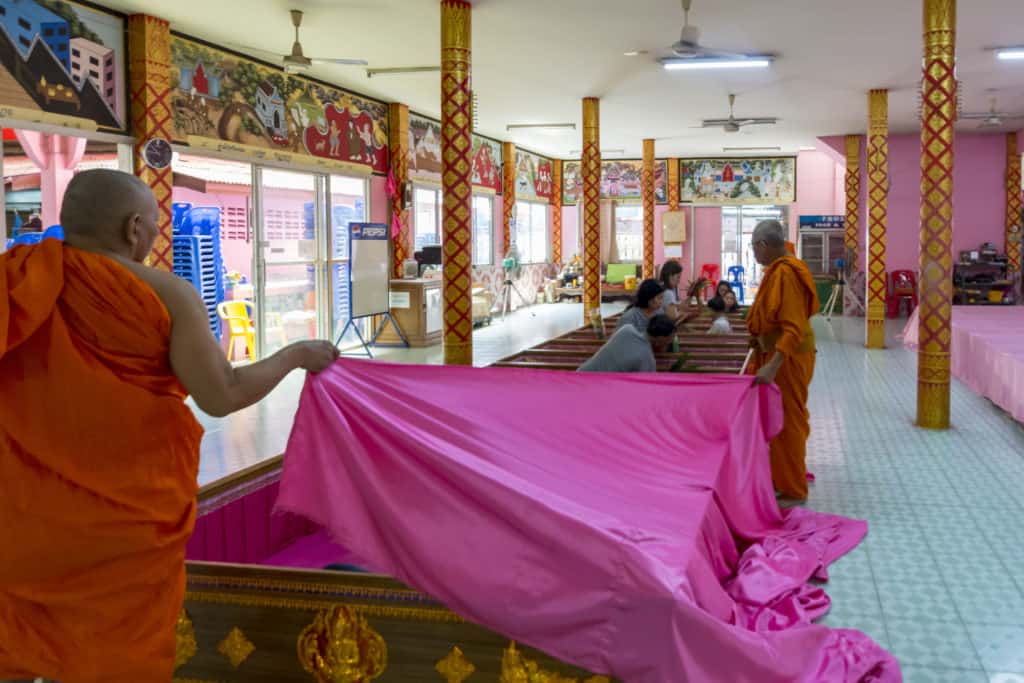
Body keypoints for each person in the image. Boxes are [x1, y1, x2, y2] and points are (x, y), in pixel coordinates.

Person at [0, 170, 339, 682]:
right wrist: (296, 355)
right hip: (121, 522)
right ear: (135, 226)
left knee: (20, 639)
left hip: (22, 515)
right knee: (120, 654)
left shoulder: (16, 280)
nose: (156, 237)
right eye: (155, 226)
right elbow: (221, 393)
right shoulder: (166, 292)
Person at [746, 219, 819, 502]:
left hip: (788, 357)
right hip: (777, 351)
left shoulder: (786, 273)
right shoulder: (779, 269)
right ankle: (780, 475)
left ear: (764, 245)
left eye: (754, 247)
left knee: (787, 420)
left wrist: (772, 364)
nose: (754, 253)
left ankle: (791, 488)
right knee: (777, 417)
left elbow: (793, 327)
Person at [579, 314, 677, 373]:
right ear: (660, 338)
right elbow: (647, 389)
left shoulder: (626, 329)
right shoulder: (647, 359)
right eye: (670, 338)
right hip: (593, 386)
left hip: (579, 374)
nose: (671, 341)